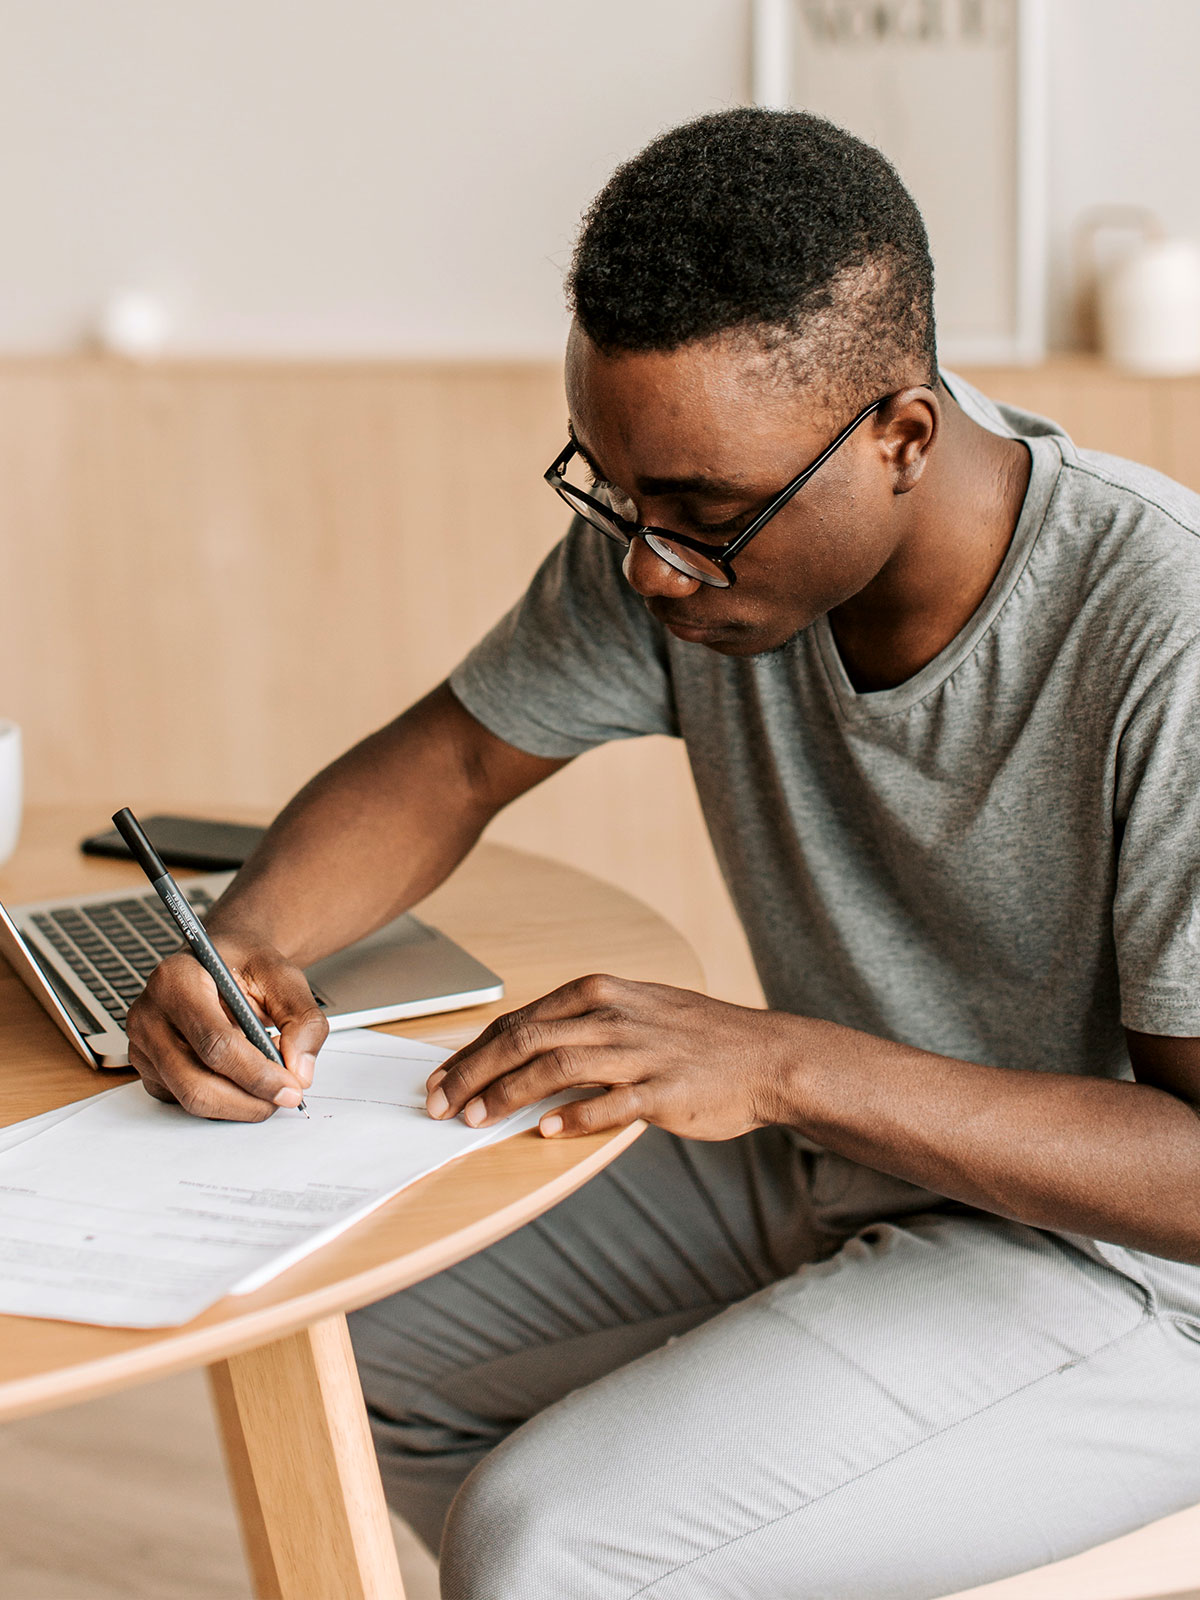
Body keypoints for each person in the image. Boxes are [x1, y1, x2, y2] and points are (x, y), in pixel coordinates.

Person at [126, 109, 1200, 1598]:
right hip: (849, 1158)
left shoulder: (1165, 635)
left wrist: (779, 1064)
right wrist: (243, 946)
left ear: (903, 435)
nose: (645, 561)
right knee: (332, 1339)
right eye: (616, 492)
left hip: (1135, 1279)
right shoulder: (686, 542)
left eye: (699, 514)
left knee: (545, 1540)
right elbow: (449, 759)